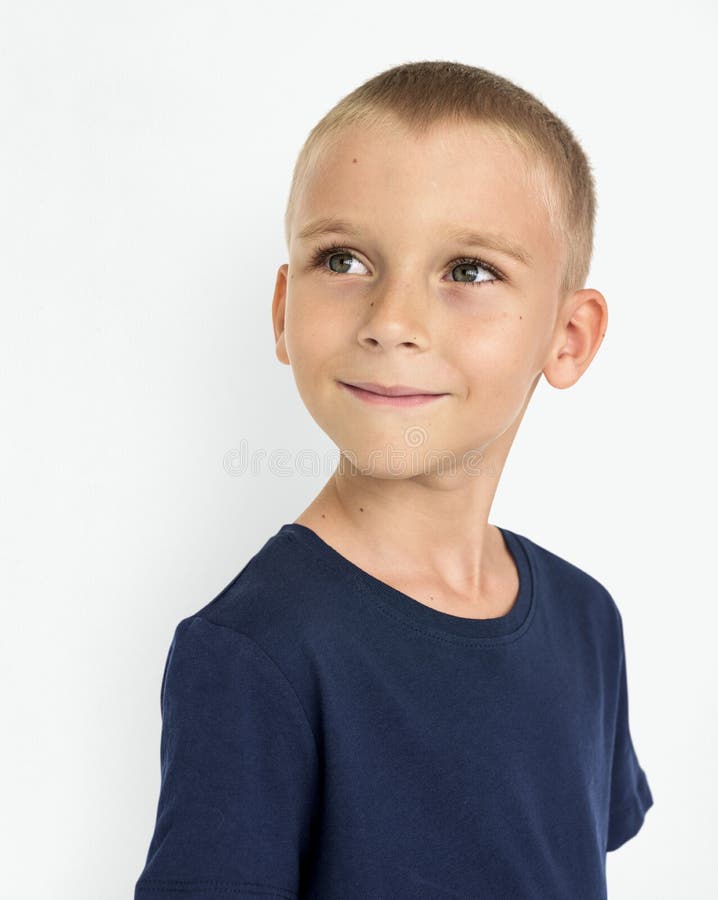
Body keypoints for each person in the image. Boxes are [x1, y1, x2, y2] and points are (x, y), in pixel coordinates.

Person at [134, 60, 653, 899]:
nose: (392, 322)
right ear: (283, 310)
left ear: (568, 336)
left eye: (468, 271)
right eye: (343, 260)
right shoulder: (254, 652)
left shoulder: (587, 620)